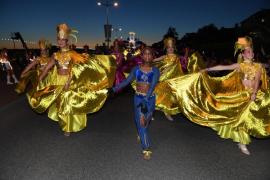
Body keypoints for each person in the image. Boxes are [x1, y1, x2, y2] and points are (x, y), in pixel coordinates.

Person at [165, 36, 270, 155]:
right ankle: (242, 143)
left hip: (254, 94)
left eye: (251, 51)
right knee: (241, 118)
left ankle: (245, 139)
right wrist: (206, 69)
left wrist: (254, 93)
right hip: (242, 95)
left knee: (254, 113)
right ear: (244, 54)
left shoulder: (258, 66)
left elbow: (256, 81)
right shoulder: (240, 66)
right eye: (248, 51)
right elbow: (222, 67)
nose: (250, 53)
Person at [28, 23, 112, 136]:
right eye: (58, 39)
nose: (60, 41)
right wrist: (39, 79)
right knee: (60, 103)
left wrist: (68, 82)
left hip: (70, 81)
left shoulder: (72, 54)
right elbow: (47, 68)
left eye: (63, 40)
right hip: (57, 81)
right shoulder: (55, 55)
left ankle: (67, 127)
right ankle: (65, 122)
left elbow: (76, 69)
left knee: (66, 103)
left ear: (67, 41)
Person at [112, 47, 160, 160]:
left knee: (146, 120)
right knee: (142, 122)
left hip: (150, 99)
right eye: (145, 54)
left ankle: (140, 131)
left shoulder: (155, 70)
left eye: (150, 54)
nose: (147, 56)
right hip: (138, 98)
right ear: (141, 56)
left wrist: (146, 99)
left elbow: (152, 86)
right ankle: (146, 148)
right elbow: (127, 81)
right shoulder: (136, 69)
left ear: (153, 56)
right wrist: (113, 89)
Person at [153, 37, 184, 121]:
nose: (170, 49)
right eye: (168, 48)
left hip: (170, 79)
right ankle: (151, 111)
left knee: (168, 96)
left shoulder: (176, 57)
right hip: (162, 78)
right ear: (166, 49)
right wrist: (147, 58)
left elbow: (173, 66)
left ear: (174, 49)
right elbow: (154, 60)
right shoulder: (164, 56)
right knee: (156, 93)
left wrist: (163, 72)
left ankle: (166, 112)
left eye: (172, 48)